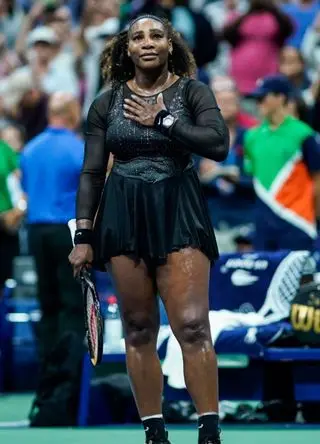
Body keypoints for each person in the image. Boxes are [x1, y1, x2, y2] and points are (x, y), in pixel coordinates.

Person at [69, 14, 229, 444]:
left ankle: (208, 432)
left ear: (170, 45)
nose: (146, 42)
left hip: (180, 208)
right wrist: (84, 236)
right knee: (138, 327)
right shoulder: (105, 103)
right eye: (137, 37)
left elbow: (219, 144)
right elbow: (90, 173)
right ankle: (154, 434)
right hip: (123, 213)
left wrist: (164, 120)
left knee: (193, 325)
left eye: (156, 35)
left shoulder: (193, 92)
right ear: (126, 48)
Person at [20, 92, 85, 362]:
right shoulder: (78, 148)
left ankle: (48, 371)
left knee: (47, 303)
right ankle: (70, 372)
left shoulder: (30, 149)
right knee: (72, 303)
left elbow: (25, 191)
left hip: (37, 232)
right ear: (72, 114)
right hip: (66, 232)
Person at [245, 74, 320, 251]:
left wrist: (316, 217)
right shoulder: (251, 136)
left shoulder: (302, 133)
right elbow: (254, 177)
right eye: (256, 99)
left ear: (281, 98)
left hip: (297, 221)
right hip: (264, 224)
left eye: (263, 97)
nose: (258, 103)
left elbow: (317, 178)